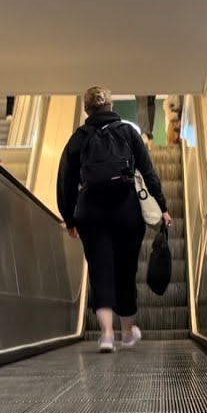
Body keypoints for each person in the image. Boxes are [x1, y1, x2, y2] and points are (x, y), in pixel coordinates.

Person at [58, 86, 173, 353]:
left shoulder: (78, 137)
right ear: (111, 106)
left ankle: (106, 335)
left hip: (91, 212)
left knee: (100, 271)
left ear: (87, 110)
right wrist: (163, 207)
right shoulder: (129, 132)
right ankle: (127, 332)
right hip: (126, 210)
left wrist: (69, 217)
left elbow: (65, 179)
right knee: (125, 269)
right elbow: (148, 171)